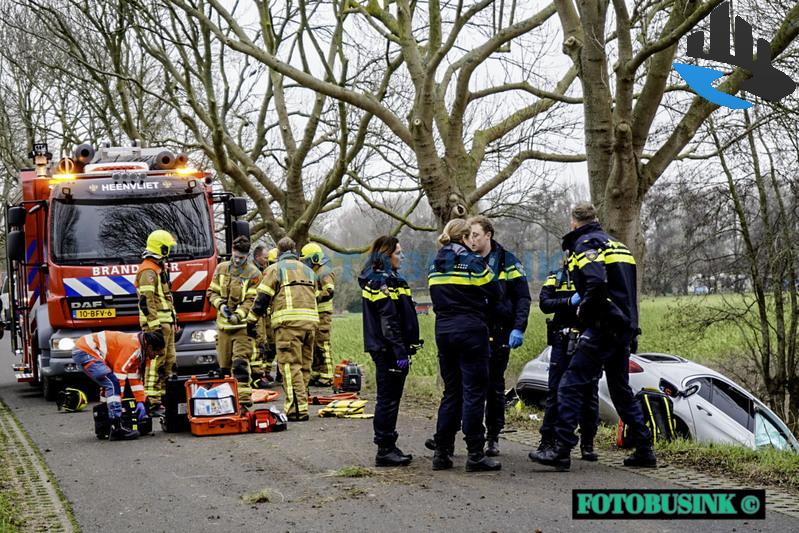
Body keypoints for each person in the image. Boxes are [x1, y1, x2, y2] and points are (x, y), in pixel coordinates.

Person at [530, 202, 655, 471]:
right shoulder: (618, 245)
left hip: (603, 326)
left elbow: (596, 282)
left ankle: (561, 450)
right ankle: (645, 449)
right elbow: (627, 291)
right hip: (623, 327)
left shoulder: (585, 244)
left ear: (573, 222)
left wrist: (584, 310)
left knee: (570, 385)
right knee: (621, 390)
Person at [428, 219, 500, 472]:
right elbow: (495, 290)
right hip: (470, 330)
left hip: (444, 330)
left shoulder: (435, 263)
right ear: (466, 237)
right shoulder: (472, 261)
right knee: (474, 393)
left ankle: (442, 453)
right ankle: (475, 455)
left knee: (452, 392)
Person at [466, 216, 531, 457]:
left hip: (499, 332)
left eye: (475, 235)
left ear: (488, 235)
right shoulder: (465, 260)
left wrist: (518, 327)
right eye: (469, 235)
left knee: (494, 386)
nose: (471, 240)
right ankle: (463, 434)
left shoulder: (507, 262)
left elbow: (523, 298)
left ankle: (492, 436)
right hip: (472, 331)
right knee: (469, 386)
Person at [359, 236, 421, 467]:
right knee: (388, 399)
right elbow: (388, 320)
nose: (402, 256)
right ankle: (385, 448)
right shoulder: (379, 281)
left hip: (393, 348)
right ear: (387, 255)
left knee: (391, 398)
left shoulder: (391, 278)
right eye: (398, 252)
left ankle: (388, 445)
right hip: (388, 350)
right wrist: (400, 352)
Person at [248, 237, 321, 421]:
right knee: (304, 366)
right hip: (310, 325)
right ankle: (302, 404)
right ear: (295, 251)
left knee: (290, 367)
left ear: (279, 253)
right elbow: (317, 295)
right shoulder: (308, 270)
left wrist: (251, 321)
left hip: (288, 327)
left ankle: (297, 409)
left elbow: (262, 299)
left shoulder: (274, 270)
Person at [536, 261, 599, 461]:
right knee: (554, 391)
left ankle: (587, 443)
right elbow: (545, 304)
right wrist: (568, 302)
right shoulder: (557, 276)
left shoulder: (594, 275)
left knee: (589, 393)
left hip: (587, 341)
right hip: (562, 341)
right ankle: (547, 440)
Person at [72, 329, 166, 440]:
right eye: (155, 353)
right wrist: (118, 405)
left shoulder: (140, 350)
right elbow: (119, 375)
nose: (155, 357)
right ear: (150, 347)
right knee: (113, 383)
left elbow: (134, 377)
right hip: (86, 351)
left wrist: (141, 401)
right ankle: (116, 427)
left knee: (108, 385)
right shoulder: (134, 347)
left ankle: (106, 424)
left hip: (86, 349)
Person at [206, 236, 261, 406]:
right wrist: (220, 306)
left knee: (240, 365)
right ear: (231, 252)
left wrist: (238, 314)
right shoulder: (221, 268)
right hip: (223, 329)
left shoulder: (254, 274)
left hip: (242, 329)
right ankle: (226, 402)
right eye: (235, 256)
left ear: (247, 256)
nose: (237, 260)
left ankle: (243, 402)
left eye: (241, 258)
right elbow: (211, 292)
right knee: (224, 368)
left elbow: (252, 300)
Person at [136, 229, 177, 416]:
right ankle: (152, 401)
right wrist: (154, 328)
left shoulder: (159, 269)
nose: (170, 250)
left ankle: (163, 398)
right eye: (167, 247)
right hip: (157, 326)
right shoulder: (148, 270)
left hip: (166, 323)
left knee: (169, 361)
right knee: (155, 363)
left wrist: (174, 319)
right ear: (161, 247)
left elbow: (166, 297)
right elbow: (147, 300)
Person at [301, 242, 336, 387]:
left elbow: (329, 292)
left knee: (322, 344)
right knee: (314, 344)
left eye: (307, 260)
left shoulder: (324, 271)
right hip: (315, 314)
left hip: (323, 314)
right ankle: (316, 373)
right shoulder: (314, 272)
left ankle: (327, 375)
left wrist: (312, 295)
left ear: (314, 258)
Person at [251, 245, 278, 386]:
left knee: (269, 344)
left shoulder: (264, 271)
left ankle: (265, 372)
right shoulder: (254, 272)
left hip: (266, 314)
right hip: (257, 312)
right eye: (265, 258)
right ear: (257, 257)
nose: (267, 261)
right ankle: (257, 376)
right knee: (259, 343)